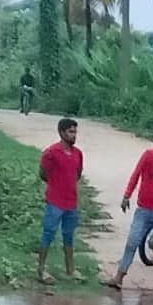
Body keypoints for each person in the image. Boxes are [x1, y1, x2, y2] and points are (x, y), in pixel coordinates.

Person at [107, 128, 153, 291]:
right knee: (132, 241)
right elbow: (136, 174)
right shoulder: (149, 155)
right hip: (144, 208)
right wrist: (126, 196)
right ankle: (119, 277)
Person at [35, 118, 86, 284]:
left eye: (75, 132)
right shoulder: (51, 153)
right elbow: (43, 173)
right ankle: (41, 270)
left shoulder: (78, 154)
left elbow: (77, 174)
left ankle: (70, 270)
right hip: (55, 201)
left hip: (71, 202)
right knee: (48, 234)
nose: (74, 135)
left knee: (69, 236)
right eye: (71, 132)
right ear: (62, 133)